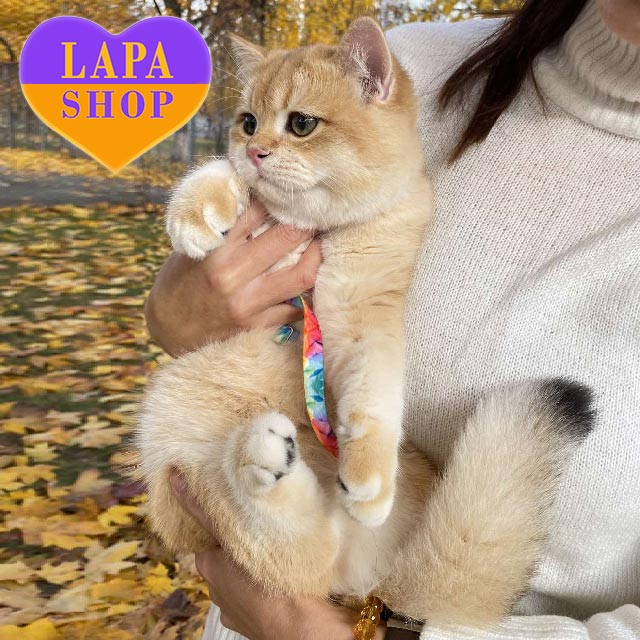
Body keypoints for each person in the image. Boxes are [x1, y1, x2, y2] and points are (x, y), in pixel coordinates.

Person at [144, 0, 640, 637]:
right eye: (249, 124)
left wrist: (343, 633)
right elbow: (197, 300)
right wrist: (176, 313)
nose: (262, 145)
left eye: (299, 124)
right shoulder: (416, 62)